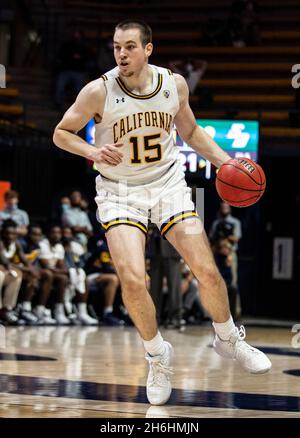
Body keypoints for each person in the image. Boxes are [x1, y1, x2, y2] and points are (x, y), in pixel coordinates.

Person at [53, 19, 271, 406]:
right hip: (119, 191)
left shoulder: (174, 84)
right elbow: (61, 132)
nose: (121, 54)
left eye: (130, 47)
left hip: (169, 184)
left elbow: (190, 132)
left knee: (206, 269)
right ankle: (157, 356)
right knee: (134, 280)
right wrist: (91, 151)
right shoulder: (97, 91)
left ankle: (228, 339)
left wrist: (224, 163)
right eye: (117, 47)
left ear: (148, 49)